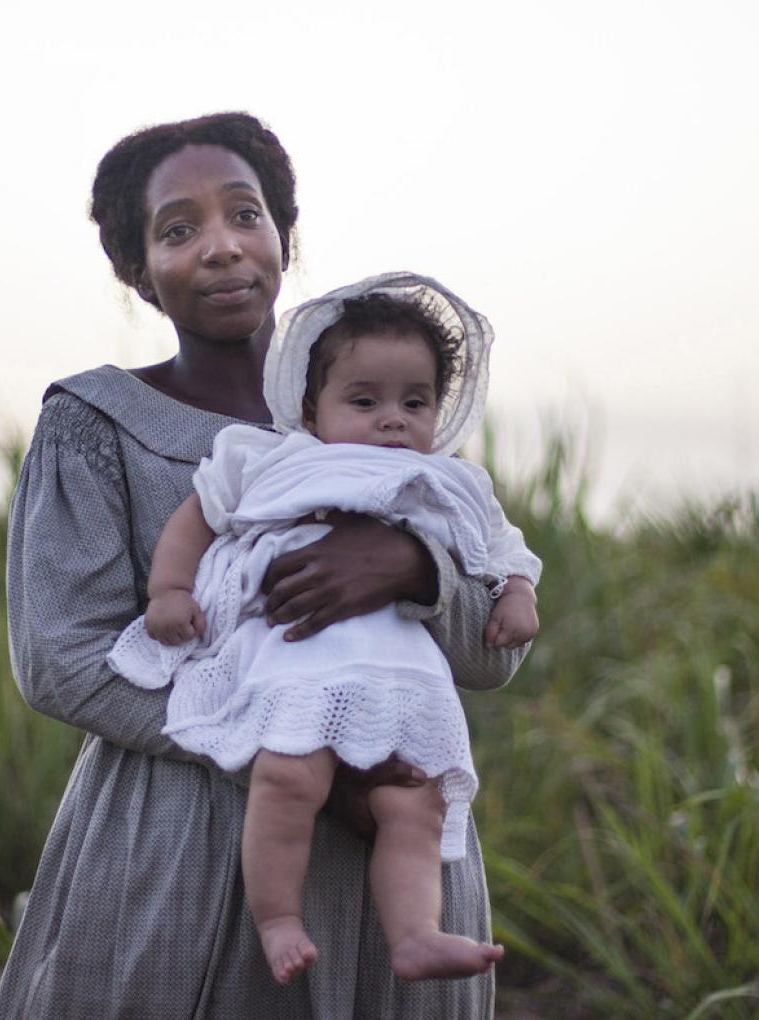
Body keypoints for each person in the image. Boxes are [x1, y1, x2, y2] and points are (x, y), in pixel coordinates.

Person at [0, 113, 525, 1019]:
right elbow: (61, 660)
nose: (220, 249)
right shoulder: (98, 424)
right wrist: (297, 755)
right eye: (178, 229)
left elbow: (494, 654)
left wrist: (412, 568)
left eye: (245, 215)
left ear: (285, 235)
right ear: (137, 271)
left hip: (392, 857)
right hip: (185, 843)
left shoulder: (388, 416)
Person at [106, 273, 541, 986]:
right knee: (288, 777)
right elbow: (201, 514)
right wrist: (171, 589)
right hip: (296, 668)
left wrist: (517, 595)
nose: (393, 420)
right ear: (312, 408)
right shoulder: (276, 457)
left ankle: (416, 934)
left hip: (398, 681)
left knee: (415, 805)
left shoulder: (453, 483)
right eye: (364, 401)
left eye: (416, 402)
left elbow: (502, 552)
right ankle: (278, 917)